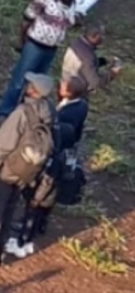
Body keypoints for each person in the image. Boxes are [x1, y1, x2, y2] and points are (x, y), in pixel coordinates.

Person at [11, 76, 90, 259]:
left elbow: (64, 133)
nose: (59, 85)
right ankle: (39, 225)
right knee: (47, 195)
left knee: (39, 195)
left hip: (56, 156)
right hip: (63, 156)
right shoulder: (81, 105)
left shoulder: (68, 113)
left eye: (62, 85)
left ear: (67, 92)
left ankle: (29, 230)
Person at [0, 0, 77, 119]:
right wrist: (22, 42)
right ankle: (5, 112)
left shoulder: (72, 5)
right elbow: (27, 20)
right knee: (19, 81)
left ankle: (24, 113)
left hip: (51, 49)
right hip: (34, 45)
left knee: (38, 85)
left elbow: (69, 24)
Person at [0, 73, 55, 264]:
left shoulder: (22, 112)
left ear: (34, 90)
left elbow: (5, 144)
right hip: (27, 172)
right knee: (8, 212)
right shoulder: (48, 111)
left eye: (30, 83)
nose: (27, 85)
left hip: (8, 171)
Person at [62, 24, 121, 97]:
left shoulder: (76, 43)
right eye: (102, 36)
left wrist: (103, 61)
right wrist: (112, 73)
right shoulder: (88, 57)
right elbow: (95, 83)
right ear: (96, 36)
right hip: (76, 92)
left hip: (65, 83)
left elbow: (82, 66)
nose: (103, 39)